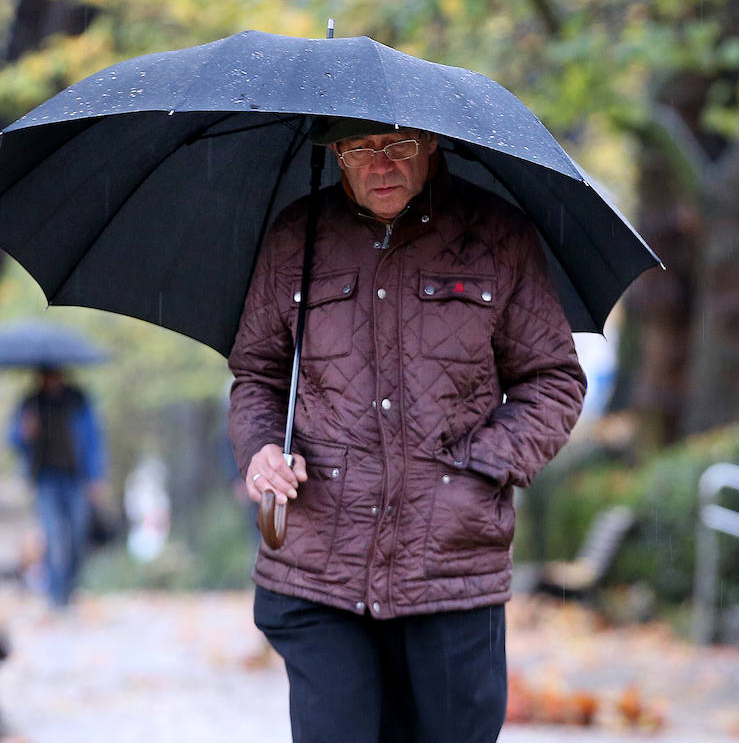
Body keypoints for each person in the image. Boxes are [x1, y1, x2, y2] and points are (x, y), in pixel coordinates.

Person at [227, 118, 587, 743]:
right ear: (335, 154)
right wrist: (261, 451)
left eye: (397, 145)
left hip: (448, 562)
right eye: (361, 149)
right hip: (322, 563)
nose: (381, 164)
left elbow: (553, 380)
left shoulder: (496, 237)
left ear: (431, 146)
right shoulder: (295, 239)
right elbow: (257, 375)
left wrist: (481, 466)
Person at [8, 367, 107, 607]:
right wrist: (24, 432)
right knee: (52, 536)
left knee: (76, 535)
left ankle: (69, 587)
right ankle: (55, 596)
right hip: (46, 479)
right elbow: (12, 438)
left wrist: (96, 476)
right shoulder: (30, 403)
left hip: (76, 479)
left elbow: (94, 439)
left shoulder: (78, 400)